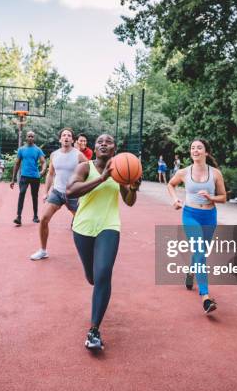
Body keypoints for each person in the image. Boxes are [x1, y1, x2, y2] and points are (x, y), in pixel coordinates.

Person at [66, 133, 141, 350]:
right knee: (92, 277)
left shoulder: (120, 171)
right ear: (95, 147)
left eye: (108, 141)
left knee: (104, 274)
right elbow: (70, 191)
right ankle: (96, 282)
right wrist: (102, 178)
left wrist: (133, 188)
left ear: (114, 148)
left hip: (109, 226)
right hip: (83, 227)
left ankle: (94, 330)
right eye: (100, 142)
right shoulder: (85, 168)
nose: (104, 144)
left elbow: (129, 202)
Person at [167, 139, 227, 314]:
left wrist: (211, 197)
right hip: (190, 215)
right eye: (192, 147)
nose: (195, 150)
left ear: (206, 152)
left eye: (199, 147)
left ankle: (191, 272)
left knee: (200, 253)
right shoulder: (184, 172)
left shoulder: (215, 173)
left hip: (209, 216)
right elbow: (170, 185)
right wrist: (175, 200)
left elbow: (223, 197)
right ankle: (206, 297)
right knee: (200, 252)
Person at [30, 128, 87, 260]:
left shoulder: (78, 155)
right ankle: (43, 251)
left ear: (72, 140)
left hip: (73, 194)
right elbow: (50, 175)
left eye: (69, 135)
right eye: (64, 135)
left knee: (83, 223)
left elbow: (88, 173)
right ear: (60, 139)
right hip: (57, 192)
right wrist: (45, 192)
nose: (66, 137)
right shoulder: (54, 155)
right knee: (44, 219)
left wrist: (83, 193)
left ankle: (90, 250)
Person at [10, 131, 47, 225]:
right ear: (26, 138)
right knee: (21, 193)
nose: (30, 138)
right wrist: (13, 179)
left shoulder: (38, 150)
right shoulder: (21, 150)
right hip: (24, 176)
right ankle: (18, 217)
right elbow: (17, 163)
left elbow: (43, 162)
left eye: (32, 136)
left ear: (34, 138)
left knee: (34, 196)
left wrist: (43, 170)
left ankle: (35, 216)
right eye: (29, 136)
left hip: (35, 176)